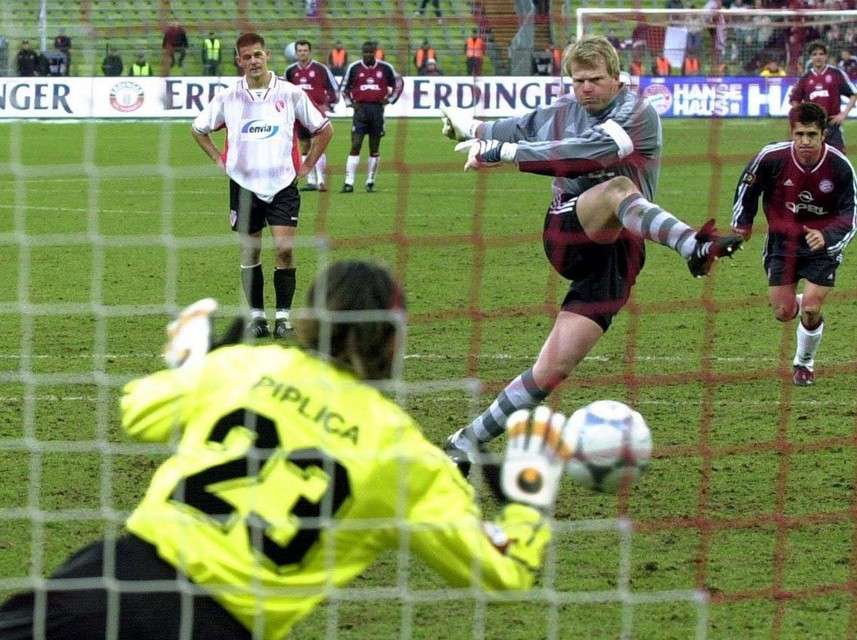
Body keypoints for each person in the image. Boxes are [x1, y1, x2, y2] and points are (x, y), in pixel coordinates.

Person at [0, 260, 573, 640]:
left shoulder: (249, 364)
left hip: (110, 580)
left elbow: (139, 412)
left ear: (307, 318)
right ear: (394, 340)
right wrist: (530, 494)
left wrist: (190, 362)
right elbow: (501, 575)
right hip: (219, 626)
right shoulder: (406, 457)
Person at [439, 35, 742, 469]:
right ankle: (692, 243)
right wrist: (470, 128)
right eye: (578, 80)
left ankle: (467, 440)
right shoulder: (563, 111)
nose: (586, 88)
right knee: (620, 187)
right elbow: (515, 128)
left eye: (595, 79)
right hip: (568, 231)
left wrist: (503, 153)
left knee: (551, 370)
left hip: (621, 252)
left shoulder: (638, 113)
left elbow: (589, 151)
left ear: (616, 78)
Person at [191, 32, 334, 339]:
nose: (253, 61)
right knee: (250, 251)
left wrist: (307, 165)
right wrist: (219, 158)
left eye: (257, 55)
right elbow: (198, 129)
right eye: (246, 57)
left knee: (284, 250)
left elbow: (324, 129)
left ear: (267, 54)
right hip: (244, 185)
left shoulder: (291, 93)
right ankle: (257, 316)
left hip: (282, 183)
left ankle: (283, 318)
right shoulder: (229, 97)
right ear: (238, 61)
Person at [730, 102, 857, 387]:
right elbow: (747, 189)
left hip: (821, 247)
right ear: (792, 132)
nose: (805, 141)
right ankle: (800, 302)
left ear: (823, 135)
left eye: (811, 135)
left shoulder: (839, 166)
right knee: (783, 312)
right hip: (782, 243)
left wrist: (828, 236)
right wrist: (742, 224)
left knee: (812, 308)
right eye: (799, 134)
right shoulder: (771, 157)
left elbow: (852, 213)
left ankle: (804, 363)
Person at [338, 41, 403, 193]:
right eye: (365, 52)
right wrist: (350, 103)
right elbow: (344, 88)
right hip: (360, 111)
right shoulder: (354, 68)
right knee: (356, 144)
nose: (368, 55)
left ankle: (370, 181)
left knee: (374, 147)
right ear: (362, 53)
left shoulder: (385, 68)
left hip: (377, 111)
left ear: (375, 52)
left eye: (370, 52)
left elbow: (399, 83)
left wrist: (390, 99)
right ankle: (349, 182)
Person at [285, 39, 340, 192]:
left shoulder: (320, 69)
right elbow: (285, 92)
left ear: (310, 52)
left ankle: (322, 181)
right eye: (300, 51)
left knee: (318, 144)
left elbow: (334, 88)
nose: (302, 53)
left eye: (305, 50)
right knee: (304, 146)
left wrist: (328, 105)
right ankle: (310, 181)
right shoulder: (290, 71)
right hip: (298, 115)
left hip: (316, 113)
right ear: (296, 53)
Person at [789, 40, 857, 153]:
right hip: (812, 126)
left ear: (826, 56)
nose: (818, 57)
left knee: (838, 159)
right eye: (815, 54)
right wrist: (800, 116)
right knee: (813, 160)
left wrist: (843, 114)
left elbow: (854, 94)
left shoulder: (836, 74)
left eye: (821, 54)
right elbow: (795, 99)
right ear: (811, 57)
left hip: (832, 125)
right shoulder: (805, 78)